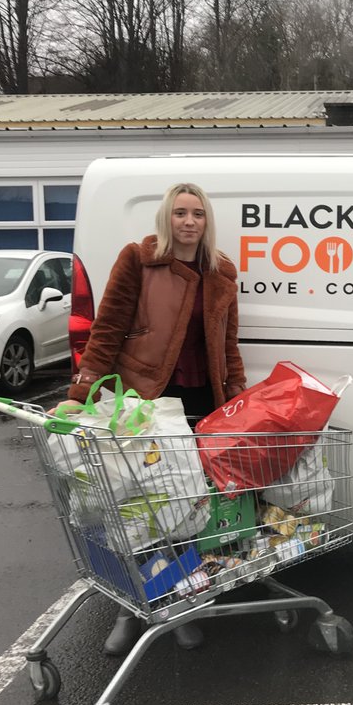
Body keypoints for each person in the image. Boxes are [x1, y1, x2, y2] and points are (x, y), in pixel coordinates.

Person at [57, 181, 247, 656]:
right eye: (180, 212)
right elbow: (107, 330)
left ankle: (178, 602)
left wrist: (239, 400)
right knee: (143, 510)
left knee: (186, 509)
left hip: (202, 402)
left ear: (207, 221)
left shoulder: (220, 271)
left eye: (198, 214)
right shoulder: (138, 259)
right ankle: (132, 609)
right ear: (167, 218)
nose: (189, 221)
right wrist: (81, 394)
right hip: (147, 404)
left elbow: (228, 344)